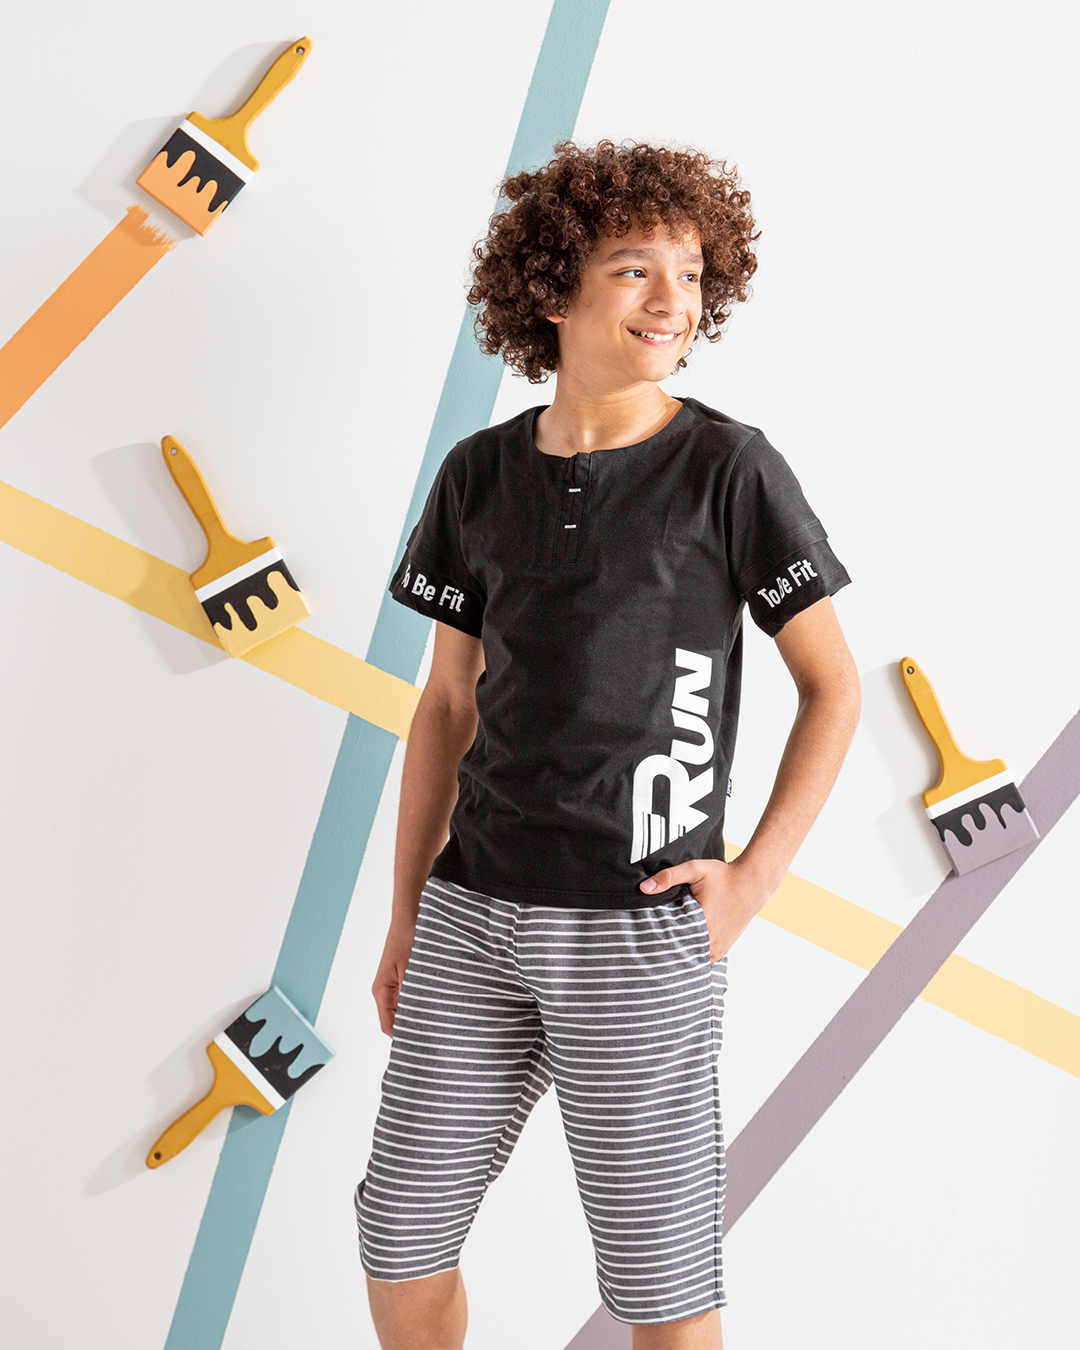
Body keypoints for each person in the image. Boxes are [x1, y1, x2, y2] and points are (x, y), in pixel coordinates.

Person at [355, 140, 860, 1350]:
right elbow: (445, 708)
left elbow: (832, 687)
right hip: (471, 917)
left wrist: (752, 880)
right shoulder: (476, 475)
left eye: (690, 272)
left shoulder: (730, 469)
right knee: (398, 1234)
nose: (672, 298)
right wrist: (408, 914)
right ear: (552, 288)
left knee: (658, 1281)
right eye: (635, 268)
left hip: (638, 928)